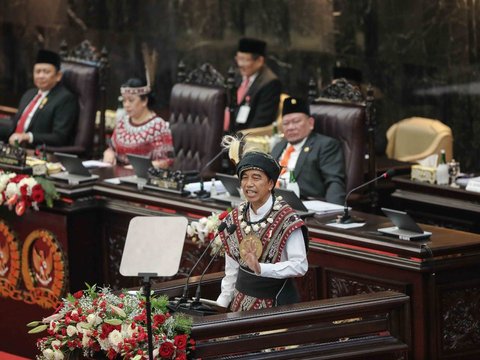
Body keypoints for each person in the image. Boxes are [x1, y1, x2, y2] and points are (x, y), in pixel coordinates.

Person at [216, 145, 308, 312]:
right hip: (239, 305)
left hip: (277, 305)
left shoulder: (287, 219)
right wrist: (222, 302)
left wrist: (262, 268)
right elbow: (231, 268)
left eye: (256, 178)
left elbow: (300, 265)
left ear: (271, 183)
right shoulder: (235, 217)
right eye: (244, 178)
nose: (249, 184)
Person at [271, 97, 346, 205]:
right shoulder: (279, 146)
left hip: (303, 204)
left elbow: (334, 181)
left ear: (310, 123)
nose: (290, 127)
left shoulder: (325, 145)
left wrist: (334, 211)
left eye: (296, 121)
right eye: (286, 123)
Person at [0, 49, 78, 147]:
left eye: (46, 72)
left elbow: (59, 137)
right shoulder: (29, 94)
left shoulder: (65, 99)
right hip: (12, 147)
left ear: (58, 76)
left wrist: (28, 137)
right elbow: (13, 127)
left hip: (35, 151)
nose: (40, 76)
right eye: (37, 72)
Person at [103, 78, 174, 168]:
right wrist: (109, 153)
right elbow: (112, 148)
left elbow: (166, 161)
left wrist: (139, 167)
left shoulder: (158, 126)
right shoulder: (122, 122)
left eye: (131, 100)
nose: (126, 105)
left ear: (144, 101)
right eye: (124, 101)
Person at [229, 37, 281, 132]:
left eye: (245, 60)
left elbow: (260, 123)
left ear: (259, 61)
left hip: (246, 136)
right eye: (239, 58)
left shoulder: (270, 83)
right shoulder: (236, 76)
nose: (240, 64)